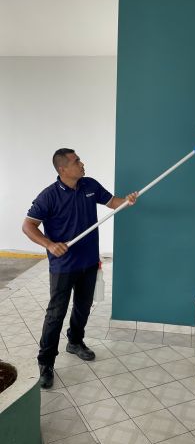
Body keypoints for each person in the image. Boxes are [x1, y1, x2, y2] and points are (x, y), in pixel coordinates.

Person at [22, 148, 137, 388]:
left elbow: (113, 203)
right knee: (56, 313)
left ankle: (75, 341)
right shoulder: (49, 196)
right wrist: (50, 245)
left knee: (83, 306)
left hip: (88, 261)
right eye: (76, 161)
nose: (82, 164)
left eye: (80, 160)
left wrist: (127, 201)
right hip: (63, 265)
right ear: (63, 169)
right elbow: (28, 226)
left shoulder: (89, 185)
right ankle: (46, 363)